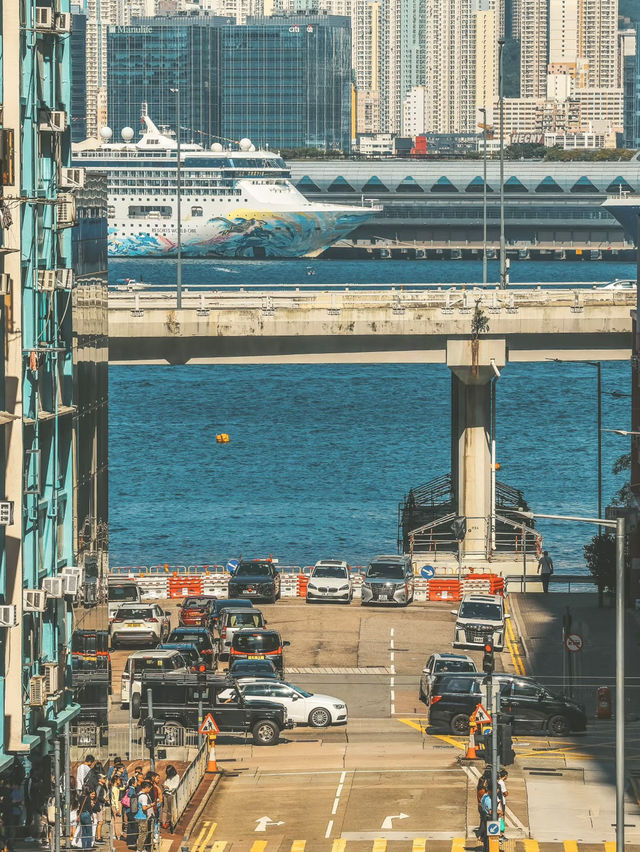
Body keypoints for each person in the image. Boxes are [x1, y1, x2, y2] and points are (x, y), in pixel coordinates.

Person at [134, 782, 155, 852]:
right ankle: (139, 849)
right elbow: (144, 808)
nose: (149, 790)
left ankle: (140, 847)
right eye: (149, 788)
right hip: (142, 816)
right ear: (146, 787)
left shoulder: (139, 793)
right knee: (143, 833)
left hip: (137, 815)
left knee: (141, 833)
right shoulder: (144, 796)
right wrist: (151, 805)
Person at [110, 777, 124, 842]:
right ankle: (118, 834)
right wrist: (117, 808)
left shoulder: (114, 788)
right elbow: (115, 799)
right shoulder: (115, 789)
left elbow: (122, 788)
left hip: (113, 805)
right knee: (118, 820)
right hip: (116, 805)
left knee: (113, 819)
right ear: (115, 780)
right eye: (119, 780)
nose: (120, 781)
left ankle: (113, 834)